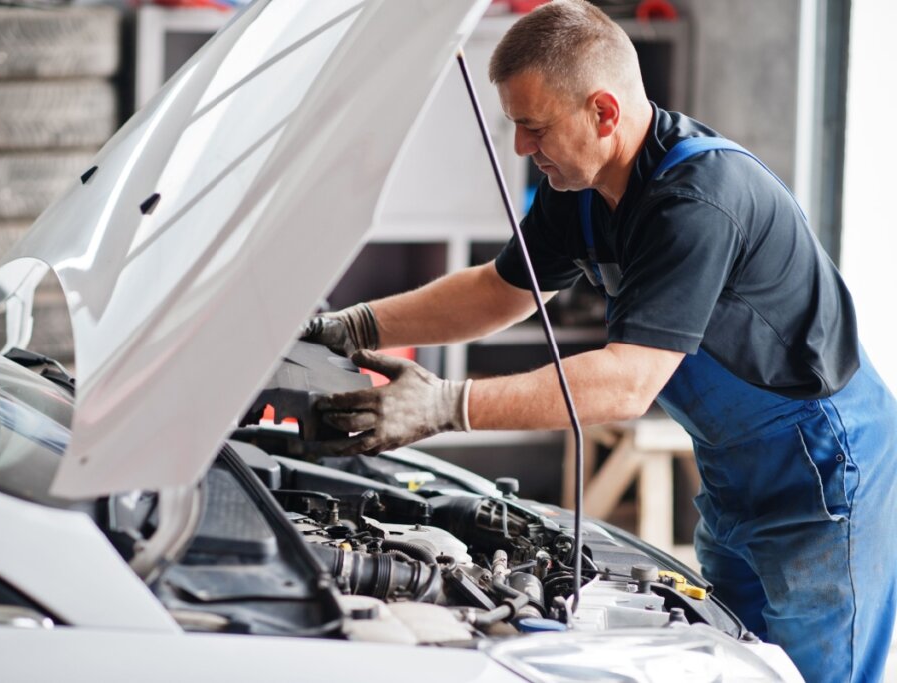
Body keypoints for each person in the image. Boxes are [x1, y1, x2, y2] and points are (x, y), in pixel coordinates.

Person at [303, 1, 897, 680]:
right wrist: (357, 325)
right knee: (737, 662)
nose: (523, 148)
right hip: (737, 471)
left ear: (604, 113)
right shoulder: (580, 186)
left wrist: (447, 406)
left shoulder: (697, 200)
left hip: (821, 473)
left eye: (535, 127)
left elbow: (627, 380)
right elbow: (501, 290)